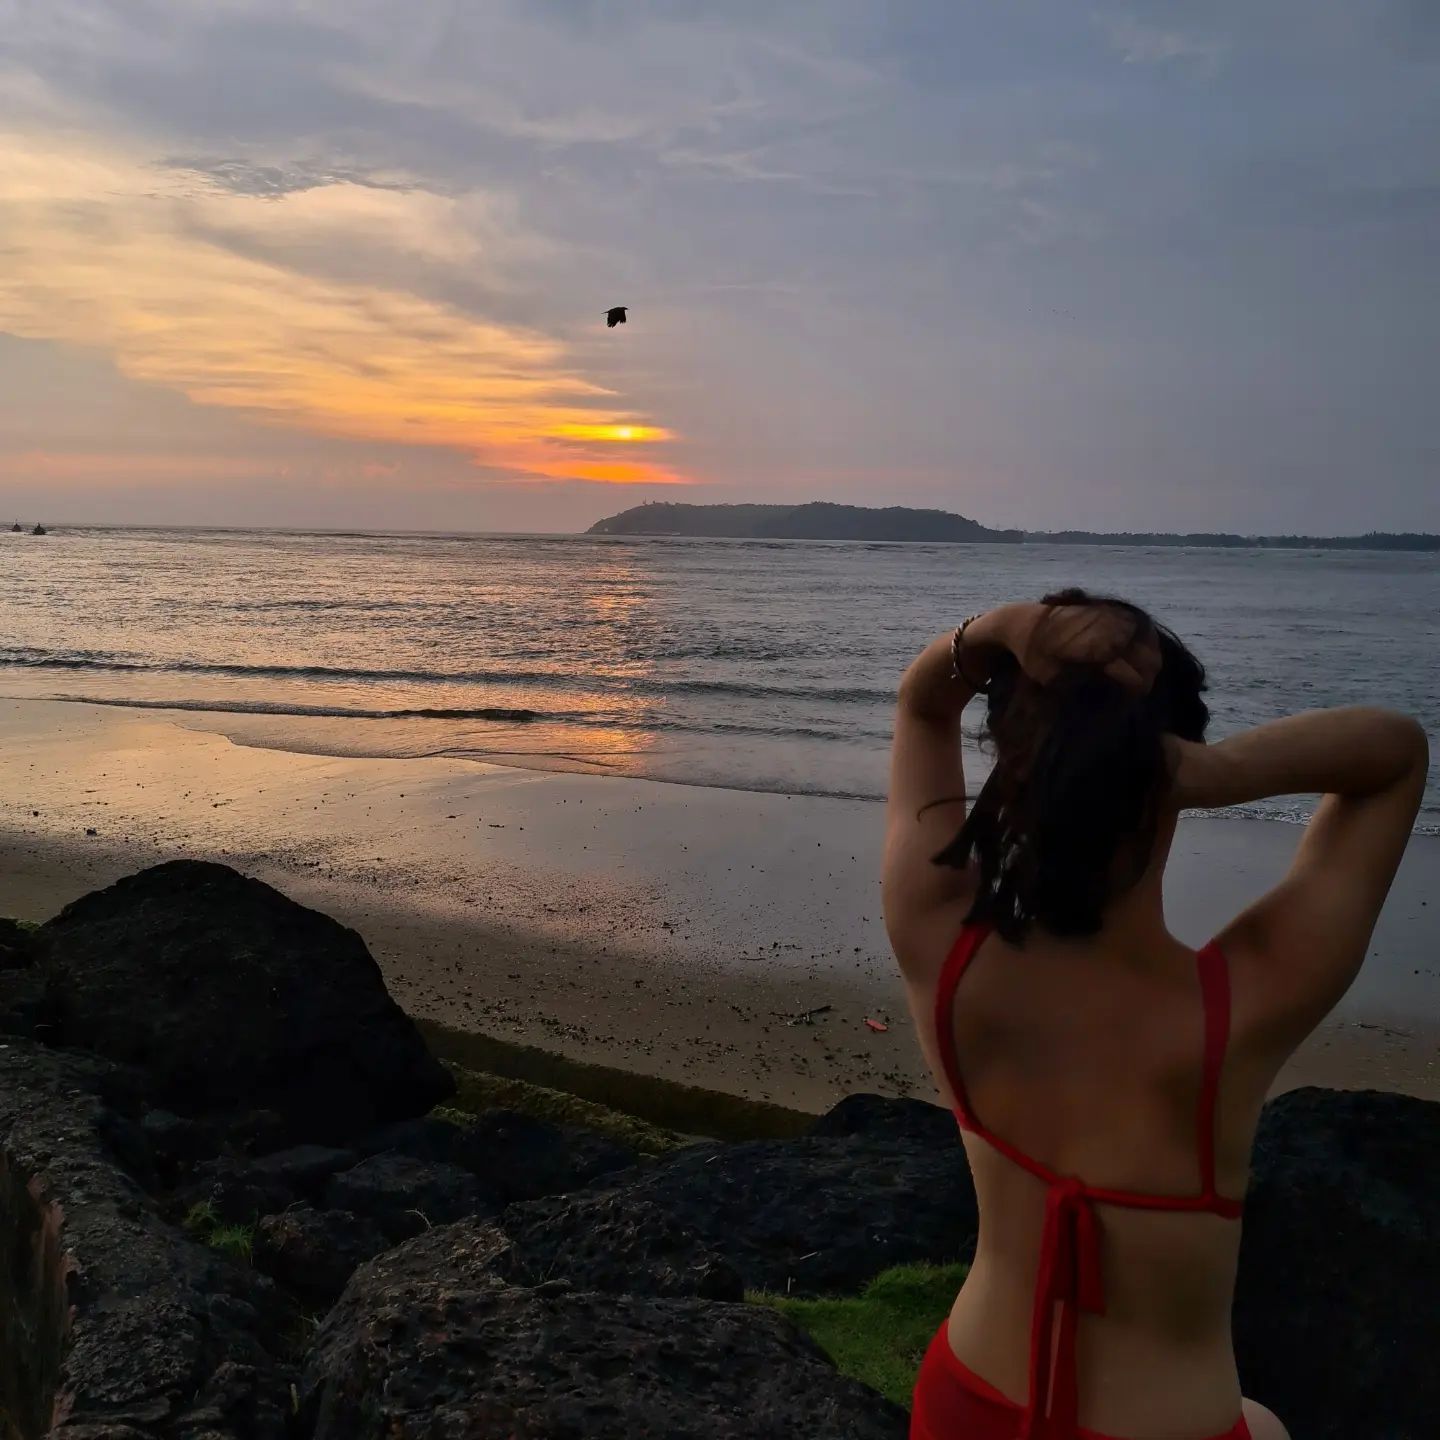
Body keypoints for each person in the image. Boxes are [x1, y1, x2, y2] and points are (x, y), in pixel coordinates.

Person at [883, 591, 1427, 1440]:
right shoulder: (1233, 1011)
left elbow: (923, 703)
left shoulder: (944, 943)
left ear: (1016, 757)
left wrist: (998, 631)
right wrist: (1214, 774)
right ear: (1175, 764)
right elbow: (1395, 754)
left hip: (968, 1403)